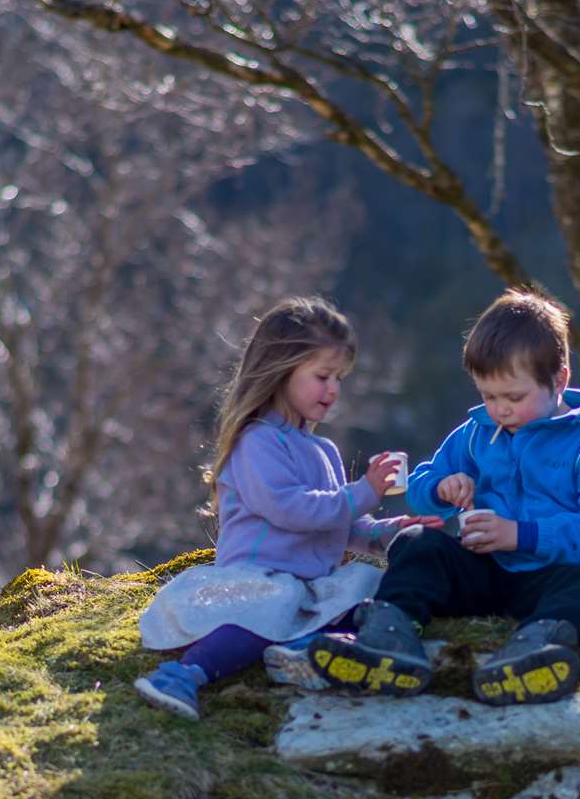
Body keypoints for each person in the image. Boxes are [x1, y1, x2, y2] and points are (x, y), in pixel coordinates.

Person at [308, 290, 580, 705]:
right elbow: (423, 487)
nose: (500, 410)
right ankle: (388, 636)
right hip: (481, 570)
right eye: (488, 396)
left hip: (548, 577)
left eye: (514, 397)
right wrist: (441, 488)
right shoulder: (476, 433)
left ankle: (535, 650)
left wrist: (521, 534)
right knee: (416, 543)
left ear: (559, 380)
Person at [135, 297, 438, 719]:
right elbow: (293, 511)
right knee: (272, 605)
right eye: (322, 376)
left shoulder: (324, 450)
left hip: (307, 585)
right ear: (281, 371)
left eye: (339, 378)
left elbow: (340, 523)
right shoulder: (256, 442)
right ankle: (183, 674)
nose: (333, 389)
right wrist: (366, 490)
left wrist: (393, 532)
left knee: (367, 584)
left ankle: (305, 651)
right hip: (258, 580)